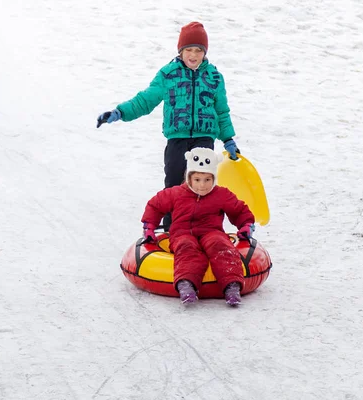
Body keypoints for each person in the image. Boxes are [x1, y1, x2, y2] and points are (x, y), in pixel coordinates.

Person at [97, 21, 240, 231]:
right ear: (180, 51)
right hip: (177, 139)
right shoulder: (168, 74)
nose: (193, 55)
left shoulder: (214, 77)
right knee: (175, 181)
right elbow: (146, 100)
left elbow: (221, 111)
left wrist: (228, 139)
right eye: (188, 50)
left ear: (205, 52)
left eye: (198, 50)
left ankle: (205, 228)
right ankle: (172, 229)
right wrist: (119, 113)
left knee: (203, 183)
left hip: (204, 138)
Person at [141, 147, 255, 306]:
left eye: (207, 180)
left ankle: (231, 284)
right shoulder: (176, 193)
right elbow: (155, 205)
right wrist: (149, 227)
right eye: (197, 180)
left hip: (212, 232)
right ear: (189, 178)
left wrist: (246, 225)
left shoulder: (221, 194)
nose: (202, 185)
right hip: (182, 233)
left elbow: (239, 209)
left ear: (214, 178)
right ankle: (186, 284)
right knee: (186, 247)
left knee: (220, 245)